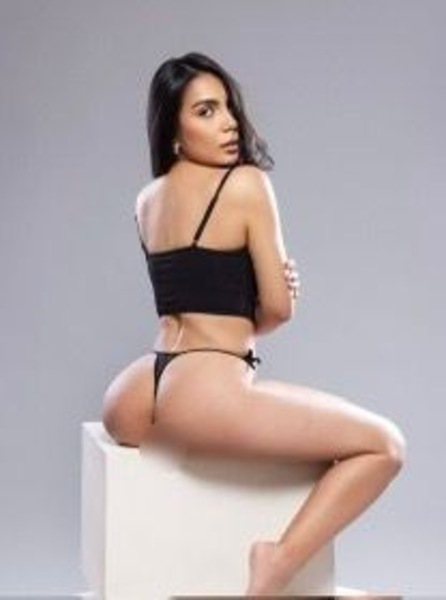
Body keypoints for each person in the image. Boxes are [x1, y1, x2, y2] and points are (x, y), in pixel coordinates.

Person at [102, 52, 407, 596]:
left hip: (136, 392)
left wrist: (246, 299)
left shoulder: (146, 200)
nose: (228, 123)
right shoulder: (245, 185)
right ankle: (278, 562)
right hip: (203, 390)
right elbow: (276, 313)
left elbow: (194, 308)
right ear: (174, 131)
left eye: (227, 107)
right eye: (205, 111)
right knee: (384, 445)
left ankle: (316, 589)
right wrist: (278, 293)